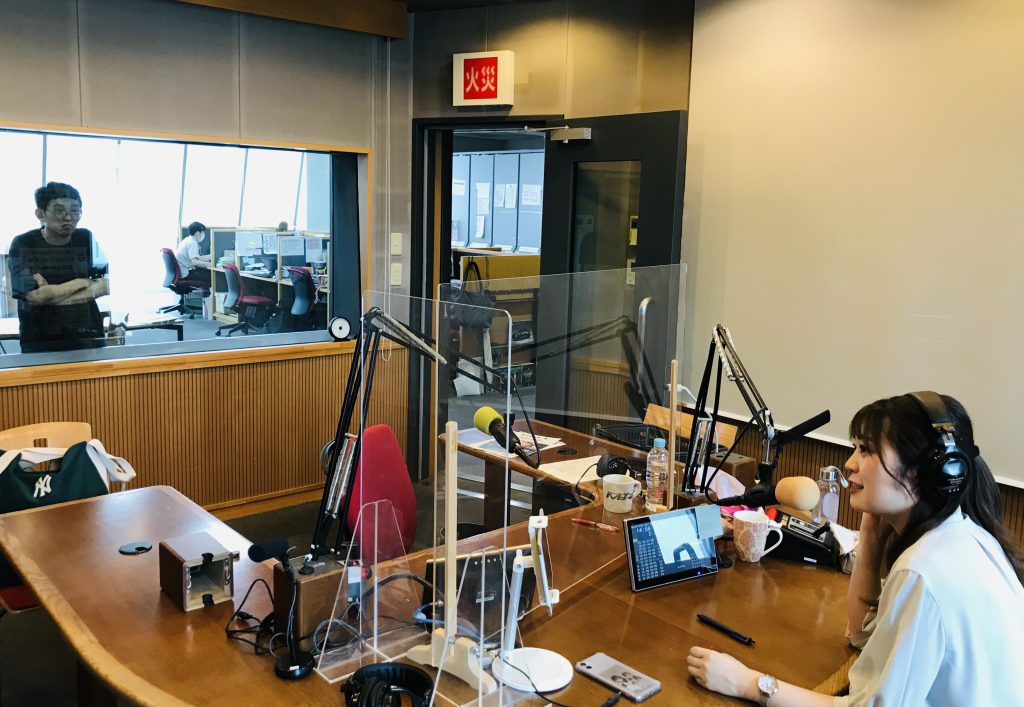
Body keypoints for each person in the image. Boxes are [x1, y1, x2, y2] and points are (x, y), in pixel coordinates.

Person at [686, 392, 1024, 706]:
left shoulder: (923, 570)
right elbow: (863, 635)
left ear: (924, 472)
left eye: (866, 450)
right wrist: (871, 536)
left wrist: (749, 683)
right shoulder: (966, 536)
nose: (850, 464)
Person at [7, 182, 110, 353]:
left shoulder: (85, 237)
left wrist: (52, 294)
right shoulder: (24, 243)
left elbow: (105, 285)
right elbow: (35, 297)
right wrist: (83, 282)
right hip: (41, 340)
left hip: (88, 337)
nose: (68, 217)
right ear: (40, 214)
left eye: (75, 210)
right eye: (59, 210)